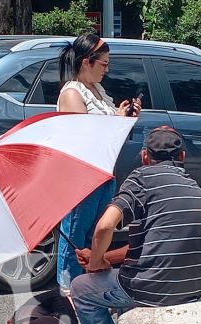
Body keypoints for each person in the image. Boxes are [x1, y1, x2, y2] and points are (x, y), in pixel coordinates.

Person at [70, 126, 201, 324]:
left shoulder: (141, 178)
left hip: (152, 290)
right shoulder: (192, 185)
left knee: (80, 289)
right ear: (182, 157)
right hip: (193, 288)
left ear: (145, 156)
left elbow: (105, 226)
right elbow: (152, 245)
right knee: (124, 281)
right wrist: (103, 256)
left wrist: (95, 263)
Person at [56, 32, 141, 293]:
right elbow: (85, 139)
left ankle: (88, 288)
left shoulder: (96, 91)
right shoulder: (72, 93)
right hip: (82, 177)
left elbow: (110, 137)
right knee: (75, 235)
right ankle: (68, 291)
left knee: (95, 237)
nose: (107, 69)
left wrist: (126, 119)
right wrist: (115, 119)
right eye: (103, 64)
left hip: (103, 174)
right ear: (86, 62)